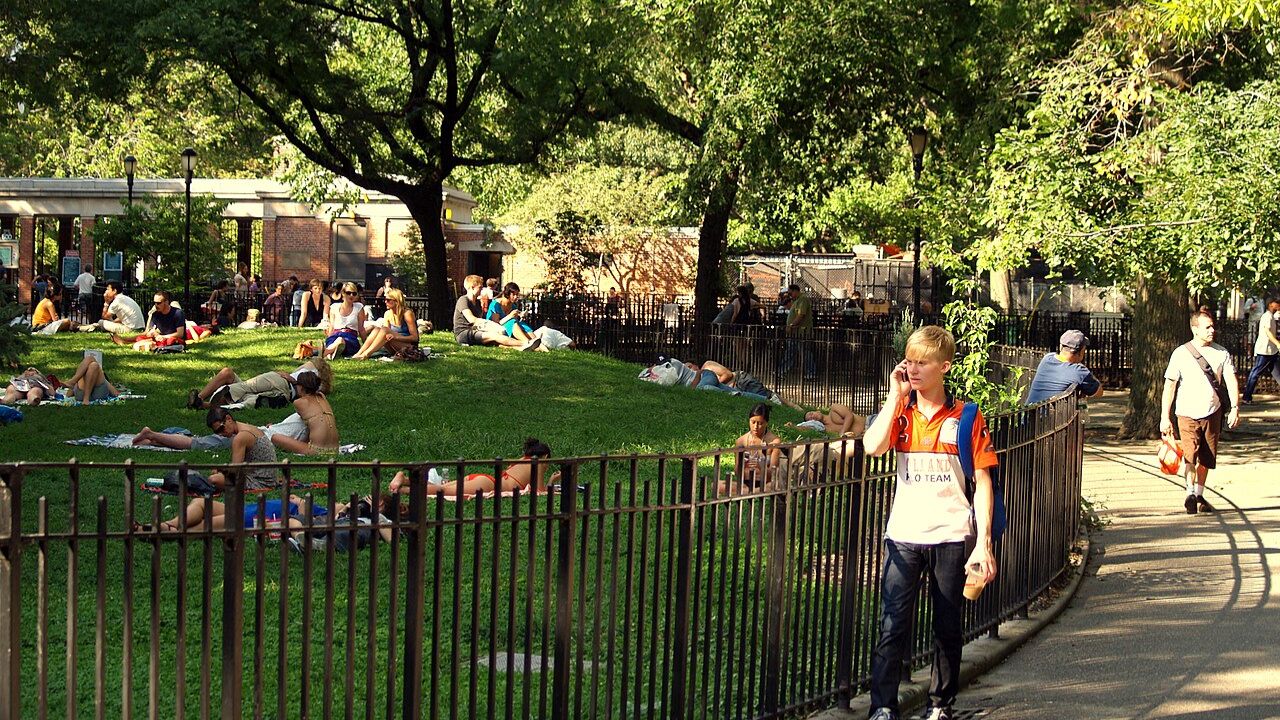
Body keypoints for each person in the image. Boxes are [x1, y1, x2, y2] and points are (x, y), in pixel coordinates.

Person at [860, 325, 999, 720]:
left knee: (947, 626)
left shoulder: (967, 416)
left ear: (945, 367)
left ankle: (939, 705)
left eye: (922, 362)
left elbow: (983, 482)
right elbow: (872, 447)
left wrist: (983, 542)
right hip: (904, 534)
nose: (913, 369)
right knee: (892, 624)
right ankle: (882, 707)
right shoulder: (900, 412)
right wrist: (894, 395)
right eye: (909, 362)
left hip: (951, 534)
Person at [1161, 309, 1240, 514]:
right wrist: (1164, 417)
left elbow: (1231, 381)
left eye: (1213, 326)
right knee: (1190, 454)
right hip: (1186, 412)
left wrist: (1235, 408)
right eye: (1207, 327)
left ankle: (1199, 493)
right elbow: (1170, 385)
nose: (1212, 330)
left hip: (1212, 412)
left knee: (1206, 457)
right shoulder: (1181, 353)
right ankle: (1189, 492)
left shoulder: (1222, 353)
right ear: (1195, 329)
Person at [387, 437, 562, 498]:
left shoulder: (521, 460)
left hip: (484, 479)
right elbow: (539, 492)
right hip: (489, 484)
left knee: (442, 488)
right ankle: (403, 489)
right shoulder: (538, 464)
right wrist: (551, 480)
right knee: (442, 491)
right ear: (545, 457)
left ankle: (406, 481)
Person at [187, 357, 332, 410]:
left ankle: (202, 403)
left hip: (280, 384)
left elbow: (295, 378)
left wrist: (291, 378)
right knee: (232, 378)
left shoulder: (313, 369)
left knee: (248, 392)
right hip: (282, 386)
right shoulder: (317, 377)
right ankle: (201, 400)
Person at [452, 275, 534, 349]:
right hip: (464, 333)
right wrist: (489, 324)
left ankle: (521, 347)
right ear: (472, 287)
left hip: (475, 330)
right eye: (480, 287)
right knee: (494, 336)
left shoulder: (477, 302)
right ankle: (525, 343)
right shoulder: (463, 300)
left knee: (496, 339)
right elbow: (471, 319)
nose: (482, 289)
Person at [1025, 329, 1104, 404]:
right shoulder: (1079, 372)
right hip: (1053, 414)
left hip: (1030, 412)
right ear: (1081, 352)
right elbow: (1099, 393)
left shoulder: (1047, 358)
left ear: (1061, 347)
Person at [721, 404, 782, 493]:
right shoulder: (741, 441)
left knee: (774, 486)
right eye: (753, 422)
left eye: (760, 423)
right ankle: (751, 492)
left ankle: (748, 492)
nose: (755, 427)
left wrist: (760, 466)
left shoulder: (774, 442)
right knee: (718, 485)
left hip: (766, 482)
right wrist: (743, 466)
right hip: (746, 482)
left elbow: (773, 473)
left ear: (766, 423)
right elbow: (737, 471)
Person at [352, 288, 421, 359]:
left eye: (388, 300)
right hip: (393, 346)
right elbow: (384, 334)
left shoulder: (407, 313)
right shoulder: (387, 314)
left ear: (397, 301)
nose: (385, 302)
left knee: (385, 329)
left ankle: (366, 354)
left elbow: (414, 338)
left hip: (409, 348)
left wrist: (395, 337)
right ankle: (359, 353)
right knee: (377, 330)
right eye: (385, 299)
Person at [113, 290, 185, 350]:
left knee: (170, 341)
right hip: (158, 338)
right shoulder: (155, 314)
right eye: (154, 303)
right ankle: (124, 341)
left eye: (158, 303)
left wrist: (163, 337)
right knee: (141, 338)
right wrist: (152, 333)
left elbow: (180, 334)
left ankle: (127, 343)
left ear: (166, 302)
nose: (156, 305)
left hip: (172, 339)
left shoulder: (177, 313)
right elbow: (146, 332)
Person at [1242, 298, 1280, 404]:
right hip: (1265, 350)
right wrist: (1277, 343)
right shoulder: (1267, 316)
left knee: (1277, 373)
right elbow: (1267, 332)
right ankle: (1246, 397)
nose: (1278, 305)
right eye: (1276, 303)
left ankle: (1247, 397)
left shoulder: (1271, 316)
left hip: (1272, 351)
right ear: (1271, 304)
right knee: (1255, 373)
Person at [779, 283, 815, 379]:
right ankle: (782, 370)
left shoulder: (803, 299)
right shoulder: (796, 300)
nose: (790, 295)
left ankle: (811, 372)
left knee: (805, 353)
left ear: (795, 291)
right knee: (790, 352)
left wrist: (791, 325)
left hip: (801, 332)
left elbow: (801, 315)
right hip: (795, 332)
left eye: (790, 293)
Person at [323, 282, 367, 358]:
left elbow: (361, 329)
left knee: (341, 340)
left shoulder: (358, 307)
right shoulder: (334, 307)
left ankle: (326, 353)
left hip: (350, 337)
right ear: (343, 293)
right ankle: (332, 352)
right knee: (335, 341)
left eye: (354, 293)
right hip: (335, 334)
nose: (351, 295)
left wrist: (366, 345)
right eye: (348, 293)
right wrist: (329, 336)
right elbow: (332, 326)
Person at [795, 404, 867, 437]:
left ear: (817, 411)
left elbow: (849, 416)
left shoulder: (834, 409)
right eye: (810, 419)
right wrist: (793, 426)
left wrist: (842, 434)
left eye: (811, 413)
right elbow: (807, 428)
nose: (813, 416)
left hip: (869, 422)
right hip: (865, 435)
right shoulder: (827, 429)